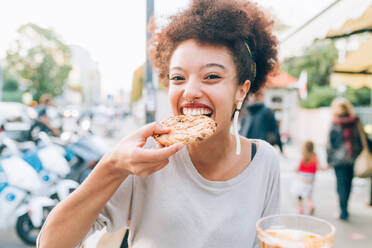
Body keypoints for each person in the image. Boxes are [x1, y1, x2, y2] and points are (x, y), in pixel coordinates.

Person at [38, 0, 280, 247]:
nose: (190, 91)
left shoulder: (264, 162)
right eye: (178, 77)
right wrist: (113, 166)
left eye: (211, 76)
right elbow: (50, 243)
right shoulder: (144, 159)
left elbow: (268, 241)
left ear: (241, 90)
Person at [326, 97, 362, 221]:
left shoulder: (335, 123)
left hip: (338, 160)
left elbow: (330, 144)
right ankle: (345, 208)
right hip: (352, 159)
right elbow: (361, 140)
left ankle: (343, 211)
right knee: (348, 184)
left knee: (341, 185)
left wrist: (329, 160)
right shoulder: (355, 121)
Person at [292, 140, 318, 215]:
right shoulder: (314, 156)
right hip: (310, 180)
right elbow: (318, 166)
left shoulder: (302, 156)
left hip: (301, 180)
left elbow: (296, 168)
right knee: (309, 196)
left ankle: (300, 210)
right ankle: (311, 205)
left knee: (300, 196)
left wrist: (294, 170)